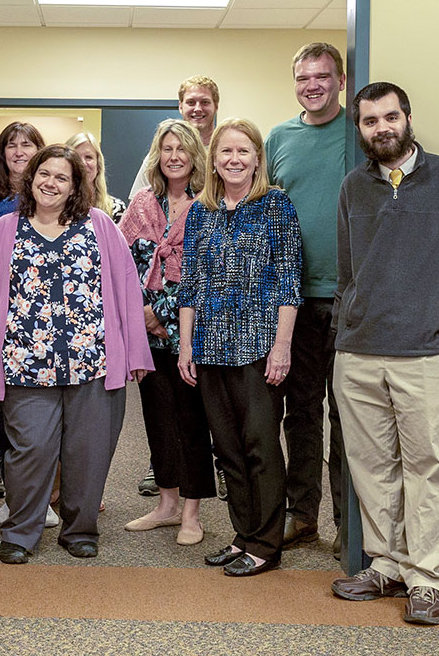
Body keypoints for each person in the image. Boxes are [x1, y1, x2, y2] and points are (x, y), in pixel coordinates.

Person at [330, 82, 439, 626]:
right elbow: (347, 268)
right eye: (370, 121)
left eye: (389, 117)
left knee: (428, 466)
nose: (381, 128)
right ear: (361, 129)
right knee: (371, 467)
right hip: (361, 349)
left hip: (427, 348)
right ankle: (386, 564)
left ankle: (426, 578)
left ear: (407, 117)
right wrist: (347, 317)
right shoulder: (353, 186)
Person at [0, 145, 153, 564]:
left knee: (88, 450)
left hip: (93, 363)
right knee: (30, 449)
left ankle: (80, 527)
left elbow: (126, 289)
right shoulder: (5, 231)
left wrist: (136, 353)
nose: (50, 183)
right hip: (24, 364)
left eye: (61, 177)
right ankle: (21, 529)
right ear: (30, 179)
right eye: (43, 174)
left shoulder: (100, 226)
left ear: (75, 186)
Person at [178, 118, 302, 578]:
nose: (234, 159)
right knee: (227, 450)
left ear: (257, 159)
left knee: (259, 447)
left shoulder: (276, 207)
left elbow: (290, 283)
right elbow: (190, 283)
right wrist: (185, 346)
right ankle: (243, 534)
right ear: (213, 160)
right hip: (210, 348)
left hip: (257, 348)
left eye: (243, 152)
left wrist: (282, 347)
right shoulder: (201, 212)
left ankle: (266, 545)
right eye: (225, 152)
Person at [265, 42, 349, 553]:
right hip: (292, 299)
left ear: (339, 79)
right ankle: (303, 515)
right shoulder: (279, 138)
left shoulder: (358, 133)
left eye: (322, 76)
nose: (312, 85)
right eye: (303, 78)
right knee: (299, 412)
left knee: (346, 414)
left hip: (348, 298)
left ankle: (347, 523)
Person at [119, 120, 214, 546]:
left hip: (191, 331)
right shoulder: (141, 203)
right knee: (157, 419)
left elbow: (207, 271)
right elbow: (122, 263)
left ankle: (192, 512)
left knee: (191, 420)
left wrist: (160, 313)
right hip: (146, 332)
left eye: (182, 148)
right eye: (167, 148)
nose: (174, 156)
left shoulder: (209, 204)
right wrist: (143, 315)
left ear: (195, 154)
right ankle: (166, 504)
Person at [0, 121, 45, 500]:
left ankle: (23, 463)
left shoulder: (49, 197)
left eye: (28, 145)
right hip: (0, 306)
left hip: (39, 311)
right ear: (1, 154)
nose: (19, 151)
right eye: (12, 145)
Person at [127, 76, 220, 199]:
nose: (198, 108)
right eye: (191, 102)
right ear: (181, 107)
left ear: (216, 106)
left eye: (205, 102)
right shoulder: (161, 155)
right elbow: (137, 203)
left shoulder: (224, 152)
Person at [66, 131, 126, 223]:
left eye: (88, 157)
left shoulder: (116, 208)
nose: (82, 163)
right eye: (76, 157)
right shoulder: (55, 207)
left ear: (98, 166)